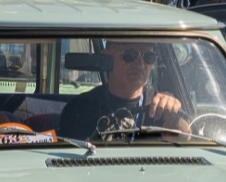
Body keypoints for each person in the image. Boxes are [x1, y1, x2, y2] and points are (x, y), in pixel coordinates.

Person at [60, 39, 189, 140]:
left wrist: (175, 119)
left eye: (148, 57)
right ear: (107, 56)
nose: (140, 63)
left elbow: (187, 140)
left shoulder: (161, 108)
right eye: (130, 55)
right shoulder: (79, 109)